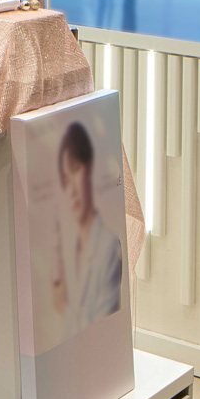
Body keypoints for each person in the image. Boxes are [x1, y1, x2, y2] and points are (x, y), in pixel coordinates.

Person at [55, 120, 124, 333]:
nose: (72, 190)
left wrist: (64, 307)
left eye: (75, 169)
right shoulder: (68, 249)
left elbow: (103, 327)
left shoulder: (109, 246)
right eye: (65, 180)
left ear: (90, 168)